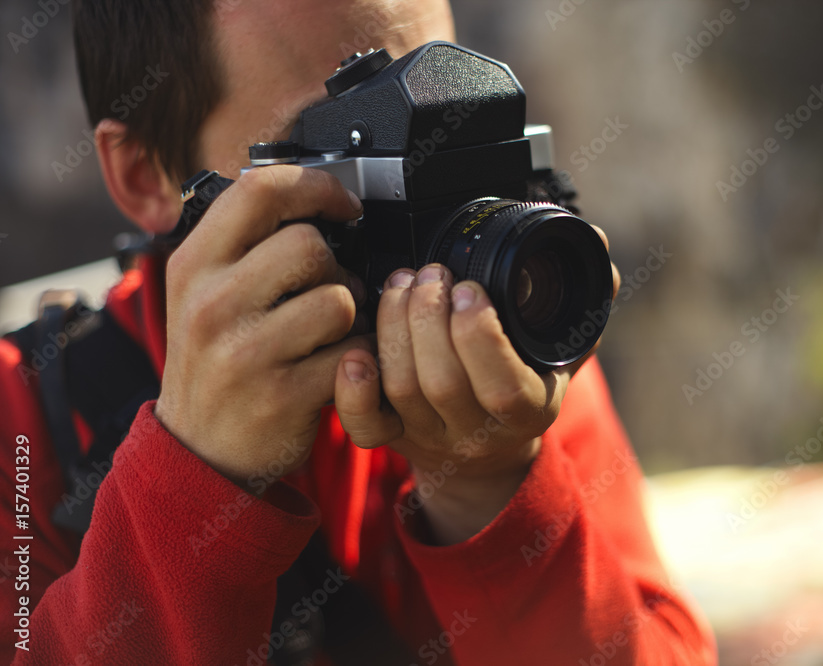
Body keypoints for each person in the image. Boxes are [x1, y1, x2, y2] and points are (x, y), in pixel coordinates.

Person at [0, 0, 715, 663]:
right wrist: (197, 483)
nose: (420, 198)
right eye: (351, 150)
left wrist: (491, 490)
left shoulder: (498, 345)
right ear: (147, 176)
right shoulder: (21, 424)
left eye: (449, 124)